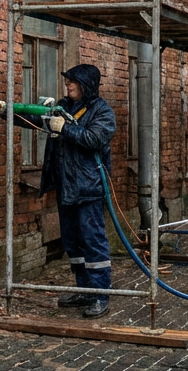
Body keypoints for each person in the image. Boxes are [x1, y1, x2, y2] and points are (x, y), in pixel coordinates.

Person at [11, 64, 117, 318]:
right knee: (72, 242)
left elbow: (93, 139)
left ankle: (100, 295)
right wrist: (7, 112)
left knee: (92, 241)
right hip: (67, 186)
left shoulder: (102, 112)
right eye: (67, 82)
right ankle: (84, 290)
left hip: (88, 187)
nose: (68, 86)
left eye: (73, 82)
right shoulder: (64, 106)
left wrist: (64, 128)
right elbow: (38, 119)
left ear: (86, 85)